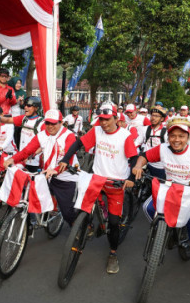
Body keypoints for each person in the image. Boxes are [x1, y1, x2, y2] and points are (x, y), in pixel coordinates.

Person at [133, 117, 190, 276]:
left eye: (181, 136)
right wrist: (139, 166)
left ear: (188, 137)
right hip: (171, 194)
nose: (176, 139)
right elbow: (144, 155)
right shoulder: (162, 149)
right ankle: (168, 232)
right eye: (173, 135)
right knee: (147, 208)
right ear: (168, 136)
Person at [59, 103, 138, 274]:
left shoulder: (125, 136)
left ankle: (113, 254)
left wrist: (131, 178)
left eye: (107, 119)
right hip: (97, 178)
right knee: (82, 208)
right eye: (101, 119)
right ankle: (88, 225)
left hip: (116, 183)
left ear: (116, 119)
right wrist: (65, 159)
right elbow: (78, 143)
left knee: (115, 224)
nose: (103, 123)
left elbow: (134, 158)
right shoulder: (96, 131)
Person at [3, 109, 79, 225]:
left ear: (61, 122)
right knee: (30, 198)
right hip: (47, 175)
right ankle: (29, 225)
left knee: (67, 212)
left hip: (66, 178)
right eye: (47, 123)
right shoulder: (41, 135)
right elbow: (27, 151)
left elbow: (67, 160)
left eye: (53, 123)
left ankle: (80, 227)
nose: (50, 126)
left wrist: (56, 170)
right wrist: (12, 159)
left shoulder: (69, 136)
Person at [0, 96, 44, 172]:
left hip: (34, 162)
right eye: (25, 105)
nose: (25, 107)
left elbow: (44, 143)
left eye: (29, 106)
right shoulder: (24, 119)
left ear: (36, 108)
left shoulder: (42, 123)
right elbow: (8, 120)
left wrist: (33, 154)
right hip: (22, 158)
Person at [134, 106, 168, 179]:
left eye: (156, 116)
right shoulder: (144, 129)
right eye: (152, 115)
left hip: (161, 166)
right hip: (146, 163)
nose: (153, 118)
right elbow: (137, 142)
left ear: (162, 119)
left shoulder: (166, 132)